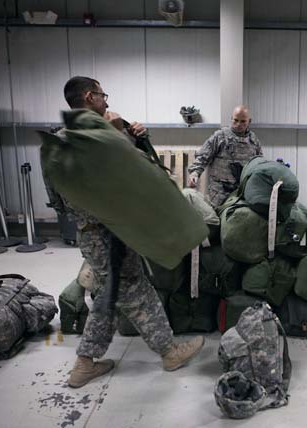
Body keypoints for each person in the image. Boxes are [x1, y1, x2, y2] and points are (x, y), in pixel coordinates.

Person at [53, 76, 204, 388]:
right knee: (136, 292)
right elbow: (136, 175)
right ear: (89, 96)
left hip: (93, 232)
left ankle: (85, 363)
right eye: (103, 95)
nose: (107, 102)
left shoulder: (62, 140)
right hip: (108, 234)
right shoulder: (92, 138)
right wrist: (123, 134)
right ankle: (169, 352)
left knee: (111, 294)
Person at [187, 105, 263, 207]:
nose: (238, 124)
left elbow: (259, 164)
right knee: (214, 220)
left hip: (242, 193)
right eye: (235, 120)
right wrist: (195, 173)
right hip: (219, 192)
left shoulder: (253, 141)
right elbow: (203, 156)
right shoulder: (220, 136)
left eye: (243, 121)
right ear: (231, 119)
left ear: (249, 121)